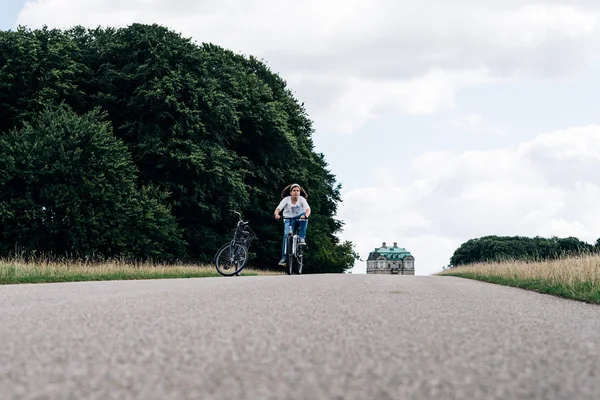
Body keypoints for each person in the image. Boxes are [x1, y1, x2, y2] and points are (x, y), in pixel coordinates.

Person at [273, 183, 311, 266]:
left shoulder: (302, 199)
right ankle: (284, 257)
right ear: (290, 192)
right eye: (294, 191)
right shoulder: (286, 199)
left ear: (300, 192)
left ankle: (301, 238)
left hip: (299, 218)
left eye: (298, 191)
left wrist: (306, 216)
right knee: (286, 235)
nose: (296, 192)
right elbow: (278, 208)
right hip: (288, 219)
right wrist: (276, 214)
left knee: (304, 215)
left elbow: (308, 209)